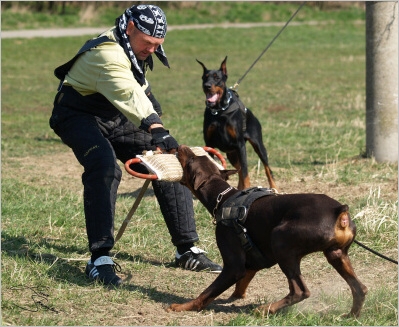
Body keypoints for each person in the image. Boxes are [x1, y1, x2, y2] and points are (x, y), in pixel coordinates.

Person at [49, 4, 222, 287]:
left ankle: (187, 249)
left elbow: (137, 85)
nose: (152, 50)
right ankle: (100, 258)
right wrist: (155, 127)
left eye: (158, 45)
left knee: (168, 160)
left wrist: (159, 133)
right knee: (104, 166)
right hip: (77, 115)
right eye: (149, 43)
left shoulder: (133, 46)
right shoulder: (106, 52)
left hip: (115, 116)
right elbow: (127, 92)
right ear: (130, 28)